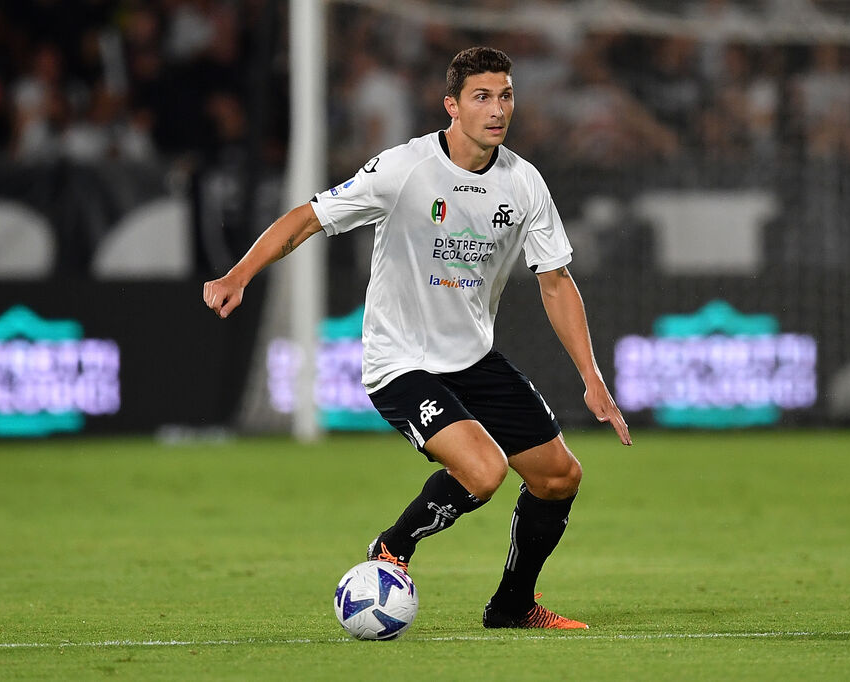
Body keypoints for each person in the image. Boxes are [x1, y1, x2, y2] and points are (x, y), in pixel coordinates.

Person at [203, 46, 632, 630]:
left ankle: (511, 607)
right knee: (483, 472)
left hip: (473, 358)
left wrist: (591, 377)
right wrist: (239, 273)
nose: (497, 109)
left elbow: (555, 283)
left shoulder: (525, 183)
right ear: (451, 105)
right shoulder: (403, 170)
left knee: (560, 476)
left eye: (505, 95)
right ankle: (391, 550)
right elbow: (308, 216)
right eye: (482, 97)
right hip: (400, 362)